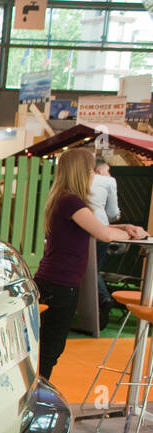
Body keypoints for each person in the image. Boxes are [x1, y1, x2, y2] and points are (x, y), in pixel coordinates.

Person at [35, 147, 147, 380]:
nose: (93, 176)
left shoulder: (64, 199)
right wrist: (134, 234)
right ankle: (38, 397)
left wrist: (123, 228)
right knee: (49, 349)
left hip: (54, 280)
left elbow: (95, 228)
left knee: (47, 347)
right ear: (82, 172)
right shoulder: (71, 202)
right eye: (90, 170)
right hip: (60, 283)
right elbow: (103, 234)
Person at [88, 156, 121, 271]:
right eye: (107, 171)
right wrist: (117, 216)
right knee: (94, 271)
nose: (109, 174)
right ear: (99, 170)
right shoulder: (109, 181)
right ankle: (103, 290)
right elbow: (112, 212)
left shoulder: (79, 179)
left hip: (79, 229)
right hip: (99, 229)